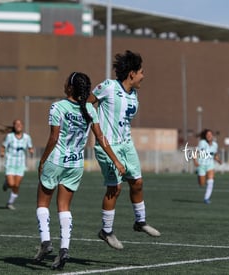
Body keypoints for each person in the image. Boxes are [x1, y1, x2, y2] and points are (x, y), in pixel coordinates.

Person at [34, 72, 125, 270]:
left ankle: (46, 241)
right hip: (75, 164)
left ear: (70, 88)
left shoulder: (58, 107)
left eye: (66, 80)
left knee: (42, 202)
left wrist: (42, 160)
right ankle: (64, 248)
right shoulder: (91, 111)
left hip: (56, 161)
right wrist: (116, 161)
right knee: (64, 207)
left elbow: (53, 138)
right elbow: (101, 138)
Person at [88, 50, 161, 250]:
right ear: (131, 73)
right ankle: (107, 231)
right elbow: (87, 103)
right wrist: (93, 124)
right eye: (141, 72)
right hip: (107, 145)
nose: (143, 76)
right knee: (115, 188)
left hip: (126, 144)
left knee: (137, 182)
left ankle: (140, 222)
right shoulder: (109, 86)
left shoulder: (134, 94)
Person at [0, 119, 34, 210]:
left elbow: (30, 147)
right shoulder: (9, 136)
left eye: (20, 124)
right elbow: (3, 146)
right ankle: (7, 184)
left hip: (20, 164)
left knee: (16, 185)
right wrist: (2, 153)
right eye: (16, 124)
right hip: (10, 163)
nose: (18, 125)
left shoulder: (27, 137)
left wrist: (31, 151)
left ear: (22, 126)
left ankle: (10, 203)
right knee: (11, 183)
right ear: (14, 126)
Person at [193, 129, 222, 204]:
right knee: (202, 184)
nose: (209, 136)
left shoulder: (215, 145)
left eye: (210, 134)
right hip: (201, 165)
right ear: (205, 136)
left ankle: (206, 198)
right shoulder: (202, 143)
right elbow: (195, 152)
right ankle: (201, 177)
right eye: (207, 135)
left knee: (210, 182)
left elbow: (215, 155)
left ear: (212, 136)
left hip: (210, 165)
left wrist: (218, 160)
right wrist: (195, 161)